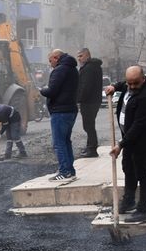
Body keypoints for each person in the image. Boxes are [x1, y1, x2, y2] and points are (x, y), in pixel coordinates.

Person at [105, 66, 146, 223]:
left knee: (143, 172)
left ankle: (143, 210)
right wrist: (114, 87)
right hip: (129, 138)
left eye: (134, 84)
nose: (131, 87)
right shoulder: (131, 83)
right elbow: (124, 83)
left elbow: (139, 125)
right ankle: (129, 201)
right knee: (128, 168)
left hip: (144, 140)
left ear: (143, 79)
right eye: (129, 83)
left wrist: (121, 144)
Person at [39, 49, 79, 181]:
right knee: (66, 141)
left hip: (60, 111)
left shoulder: (60, 70)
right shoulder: (72, 69)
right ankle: (70, 170)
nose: (50, 64)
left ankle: (64, 171)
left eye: (50, 61)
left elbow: (52, 91)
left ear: (56, 58)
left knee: (59, 143)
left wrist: (42, 90)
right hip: (70, 109)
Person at [76, 48, 104, 158]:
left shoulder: (89, 68)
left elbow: (85, 86)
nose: (79, 58)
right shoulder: (94, 66)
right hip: (94, 100)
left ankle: (92, 149)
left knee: (88, 126)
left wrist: (79, 99)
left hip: (89, 101)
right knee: (89, 125)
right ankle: (90, 147)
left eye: (81, 56)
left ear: (87, 56)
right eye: (78, 56)